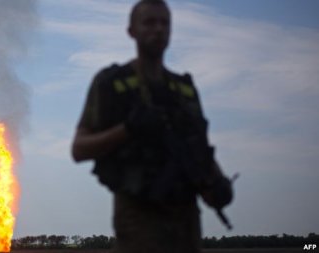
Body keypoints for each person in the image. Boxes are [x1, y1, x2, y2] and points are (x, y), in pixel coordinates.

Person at [71, 0, 232, 252]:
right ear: (131, 31)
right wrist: (128, 129)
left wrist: (218, 184)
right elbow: (79, 149)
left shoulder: (184, 90)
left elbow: (199, 148)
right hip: (138, 221)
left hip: (186, 220)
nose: (158, 29)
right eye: (149, 22)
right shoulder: (112, 84)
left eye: (164, 23)